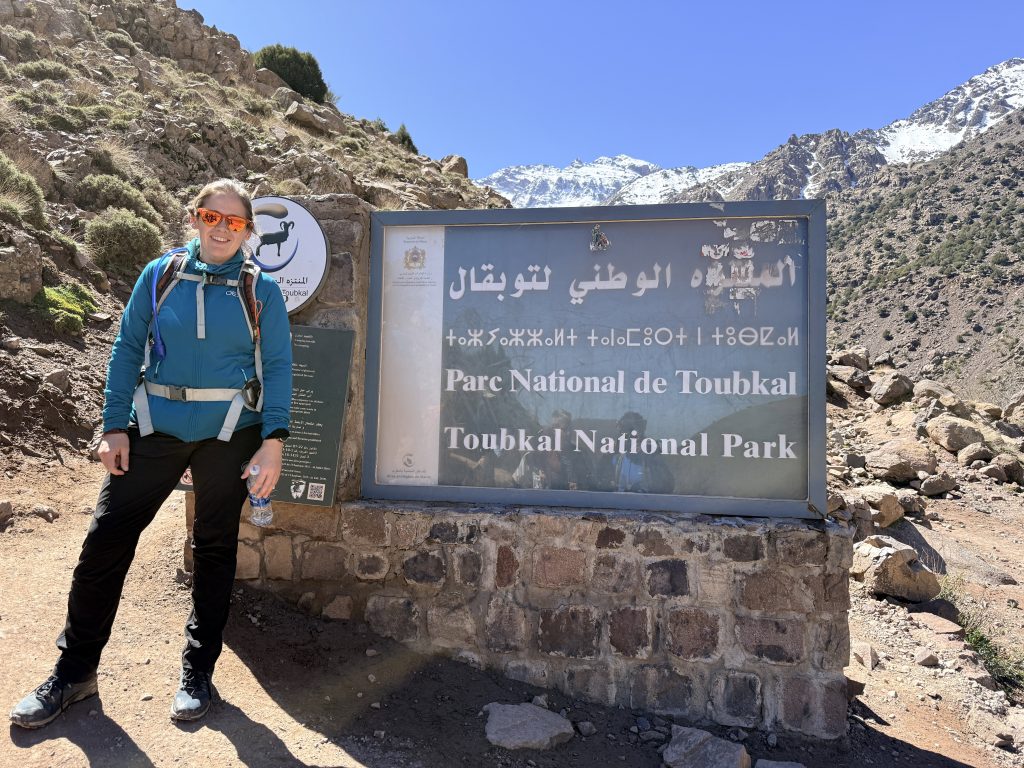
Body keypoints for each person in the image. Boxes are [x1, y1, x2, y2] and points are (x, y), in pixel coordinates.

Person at [9, 179, 292, 728]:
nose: (221, 228)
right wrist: (114, 426)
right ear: (195, 218)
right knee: (105, 541)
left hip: (230, 432)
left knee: (214, 548)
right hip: (155, 426)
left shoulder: (261, 289)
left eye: (234, 222)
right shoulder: (160, 275)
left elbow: (278, 366)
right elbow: (126, 348)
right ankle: (74, 673)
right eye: (211, 216)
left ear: (247, 231)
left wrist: (273, 440)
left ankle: (197, 673)